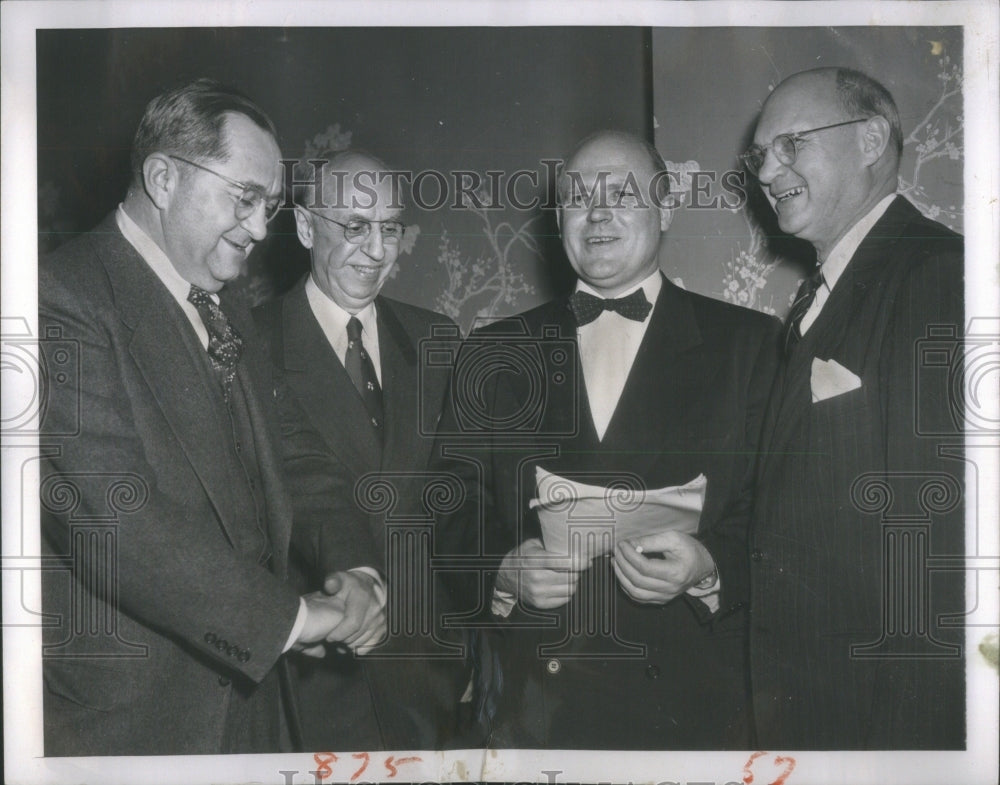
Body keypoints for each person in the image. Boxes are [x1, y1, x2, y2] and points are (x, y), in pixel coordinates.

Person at [38, 79, 385, 756]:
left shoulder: (227, 306)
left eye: (271, 206)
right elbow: (118, 521)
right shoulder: (57, 299)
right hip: (132, 725)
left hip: (255, 710)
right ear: (164, 177)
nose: (261, 228)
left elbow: (293, 460)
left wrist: (357, 567)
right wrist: (294, 617)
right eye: (245, 198)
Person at [435, 130, 781, 749]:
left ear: (666, 207)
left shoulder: (751, 346)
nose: (596, 213)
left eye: (620, 193)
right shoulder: (492, 352)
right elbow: (449, 507)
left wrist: (709, 565)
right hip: (535, 711)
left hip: (691, 706)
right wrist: (504, 570)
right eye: (577, 197)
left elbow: (782, 514)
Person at [743, 67, 965, 749]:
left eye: (792, 144)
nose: (767, 171)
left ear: (872, 139)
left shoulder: (934, 273)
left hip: (879, 723)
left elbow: (930, 548)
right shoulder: (822, 294)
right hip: (809, 706)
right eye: (759, 155)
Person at [254, 150, 469, 750]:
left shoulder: (437, 339)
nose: (376, 250)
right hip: (306, 689)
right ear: (303, 227)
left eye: (390, 227)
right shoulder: (248, 343)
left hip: (428, 679)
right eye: (353, 227)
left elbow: (461, 501)